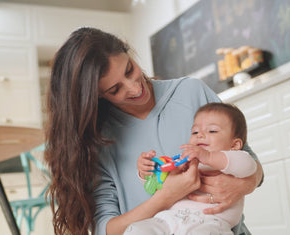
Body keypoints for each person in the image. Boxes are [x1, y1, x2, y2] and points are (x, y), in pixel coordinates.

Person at [44, 27, 263, 235]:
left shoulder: (190, 92)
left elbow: (249, 160)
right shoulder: (99, 139)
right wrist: (166, 197)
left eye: (129, 70)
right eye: (114, 89)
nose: (134, 88)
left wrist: (246, 183)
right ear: (96, 96)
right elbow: (106, 230)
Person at [128, 103, 257, 234]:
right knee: (137, 229)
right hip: (169, 218)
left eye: (212, 130)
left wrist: (208, 156)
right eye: (195, 131)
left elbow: (249, 167)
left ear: (234, 145)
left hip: (209, 223)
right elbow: (159, 184)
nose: (199, 135)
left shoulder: (235, 159)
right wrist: (147, 170)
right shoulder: (185, 161)